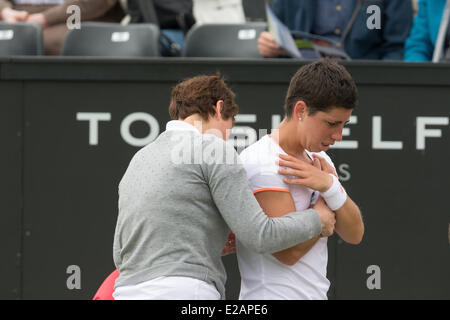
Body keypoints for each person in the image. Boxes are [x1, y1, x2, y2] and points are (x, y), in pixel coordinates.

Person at [112, 74, 336, 300]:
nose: (227, 136)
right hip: (185, 292)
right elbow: (260, 236)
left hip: (126, 291)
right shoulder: (213, 148)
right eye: (231, 125)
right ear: (219, 108)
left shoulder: (139, 158)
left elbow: (121, 252)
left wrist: (206, 239)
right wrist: (318, 218)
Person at [236, 59, 364, 300]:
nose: (338, 136)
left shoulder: (319, 161)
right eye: (331, 124)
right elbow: (287, 251)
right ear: (301, 110)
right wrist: (321, 214)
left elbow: (355, 234)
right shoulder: (262, 162)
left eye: (344, 125)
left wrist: (331, 186)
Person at [258, 0, 413, 60]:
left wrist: (380, 84)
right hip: (301, 81)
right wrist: (269, 46)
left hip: (365, 81)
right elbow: (274, 34)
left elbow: (397, 47)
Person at [0, 0, 124, 55]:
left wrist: (46, 18)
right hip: (15, 17)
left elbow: (96, 3)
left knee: (70, 41)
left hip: (75, 17)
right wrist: (4, 11)